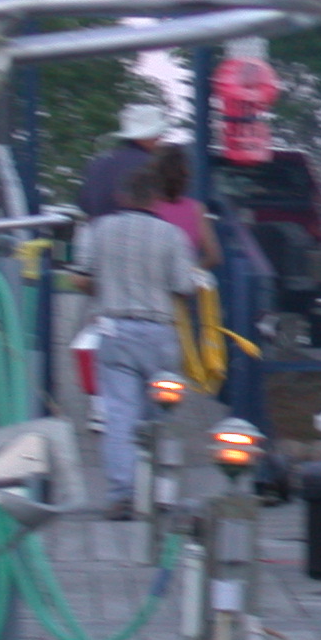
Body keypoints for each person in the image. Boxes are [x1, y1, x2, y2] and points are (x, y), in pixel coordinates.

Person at [85, 163, 198, 519]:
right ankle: (161, 494)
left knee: (120, 414)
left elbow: (82, 276)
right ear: (156, 199)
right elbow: (184, 286)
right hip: (160, 335)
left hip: (115, 330)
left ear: (122, 196)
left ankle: (123, 494)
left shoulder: (99, 229)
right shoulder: (173, 236)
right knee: (162, 417)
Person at [78, 102, 170, 220]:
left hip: (98, 228)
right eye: (158, 134)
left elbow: (84, 204)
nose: (160, 138)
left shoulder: (98, 163)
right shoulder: (153, 165)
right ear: (147, 136)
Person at [148, 143, 220, 268]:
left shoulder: (148, 207)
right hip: (184, 278)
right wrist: (190, 272)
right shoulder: (197, 209)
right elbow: (214, 257)